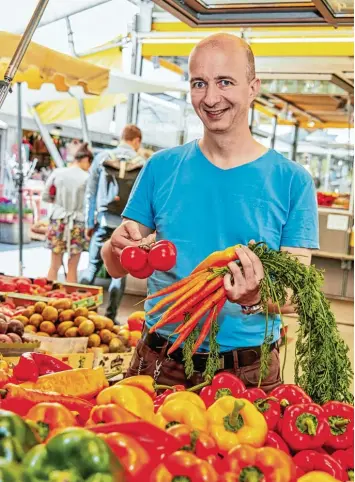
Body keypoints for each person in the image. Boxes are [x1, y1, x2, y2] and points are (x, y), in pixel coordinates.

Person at [101, 34, 319, 391]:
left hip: (247, 368)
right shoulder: (160, 167)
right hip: (159, 358)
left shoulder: (292, 180)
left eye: (225, 82)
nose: (211, 98)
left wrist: (255, 297)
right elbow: (115, 265)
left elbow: (297, 294)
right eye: (199, 83)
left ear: (253, 88)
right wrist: (115, 246)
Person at [81, 125, 145, 322]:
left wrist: (88, 221)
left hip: (103, 220)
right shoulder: (142, 162)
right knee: (119, 273)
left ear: (122, 137)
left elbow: (90, 193)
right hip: (126, 227)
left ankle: (82, 312)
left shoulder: (102, 158)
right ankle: (110, 317)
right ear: (136, 140)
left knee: (91, 267)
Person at [42, 142, 93, 283]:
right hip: (78, 222)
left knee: (54, 265)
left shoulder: (58, 173)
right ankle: (71, 299)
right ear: (85, 159)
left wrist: (59, 203)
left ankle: (47, 298)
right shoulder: (87, 178)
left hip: (58, 220)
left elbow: (46, 196)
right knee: (73, 266)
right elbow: (90, 203)